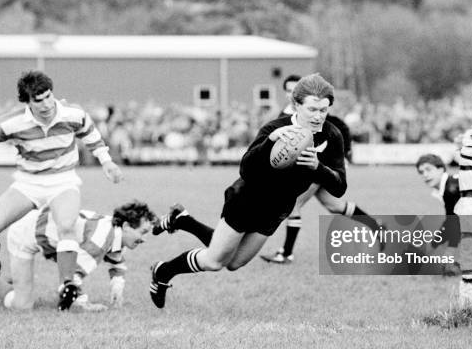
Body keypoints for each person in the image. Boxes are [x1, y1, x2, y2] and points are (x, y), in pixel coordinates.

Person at [148, 73, 347, 308]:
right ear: (296, 105)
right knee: (215, 261)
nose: (318, 116)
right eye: (312, 109)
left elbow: (339, 187)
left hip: (277, 209)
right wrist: (270, 143)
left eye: (323, 110)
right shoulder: (276, 128)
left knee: (235, 263)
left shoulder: (332, 136)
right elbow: (246, 169)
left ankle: (184, 221)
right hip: (247, 200)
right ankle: (163, 272)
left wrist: (318, 168)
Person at [0, 70, 123, 311]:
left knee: (66, 225)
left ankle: (67, 286)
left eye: (49, 96)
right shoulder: (11, 122)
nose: (47, 104)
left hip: (63, 181)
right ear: (27, 102)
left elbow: (92, 135)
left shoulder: (73, 114)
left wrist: (107, 161)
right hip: (28, 183)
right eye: (39, 100)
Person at [260, 74, 381, 264]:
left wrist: (344, 154)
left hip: (316, 167)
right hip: (302, 170)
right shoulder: (283, 116)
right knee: (335, 206)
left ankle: (286, 253)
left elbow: (340, 127)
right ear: (287, 95)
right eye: (289, 89)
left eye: (296, 88)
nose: (292, 92)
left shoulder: (315, 111)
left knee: (293, 205)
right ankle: (375, 228)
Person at [0, 201, 156, 311]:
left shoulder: (114, 231)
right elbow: (71, 275)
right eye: (143, 232)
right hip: (25, 234)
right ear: (126, 226)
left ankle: (11, 281)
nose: (145, 239)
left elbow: (117, 261)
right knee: (21, 306)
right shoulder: (100, 240)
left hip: (40, 227)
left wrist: (117, 290)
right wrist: (83, 304)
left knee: (24, 290)